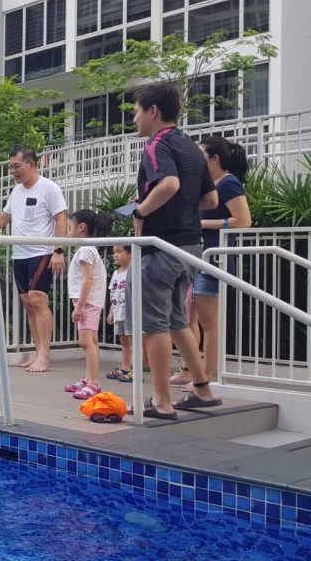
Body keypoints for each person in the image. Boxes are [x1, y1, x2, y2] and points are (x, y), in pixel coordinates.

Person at [129, 81, 221, 420]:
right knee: (178, 320)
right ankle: (203, 391)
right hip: (191, 247)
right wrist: (172, 204)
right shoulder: (192, 148)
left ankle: (162, 401)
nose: (135, 119)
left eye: (137, 112)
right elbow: (210, 200)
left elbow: (169, 184)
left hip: (162, 246)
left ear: (153, 111)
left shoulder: (157, 144)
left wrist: (141, 211)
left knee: (155, 324)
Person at [0, 145, 68, 373]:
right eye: (11, 167)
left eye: (16, 166)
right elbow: (4, 218)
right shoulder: (16, 191)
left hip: (42, 251)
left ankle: (45, 355)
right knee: (28, 304)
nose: (13, 171)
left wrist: (59, 250)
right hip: (19, 253)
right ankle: (37, 352)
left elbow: (61, 219)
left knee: (38, 300)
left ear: (31, 165)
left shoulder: (49, 188)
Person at [173, 136, 253, 392]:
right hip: (199, 256)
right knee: (190, 318)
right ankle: (191, 370)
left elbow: (243, 221)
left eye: (201, 155)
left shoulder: (229, 183)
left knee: (208, 322)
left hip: (215, 258)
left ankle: (206, 376)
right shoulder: (208, 185)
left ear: (215, 158)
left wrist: (202, 224)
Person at [62, 210, 112, 400]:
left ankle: (94, 383)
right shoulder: (89, 249)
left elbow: (87, 279)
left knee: (86, 342)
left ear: (81, 227)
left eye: (70, 227)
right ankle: (89, 379)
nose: (68, 231)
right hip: (90, 300)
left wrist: (80, 306)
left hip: (87, 301)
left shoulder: (85, 250)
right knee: (92, 340)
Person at [105, 246, 134, 382]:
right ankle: (125, 367)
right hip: (119, 311)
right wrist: (111, 311)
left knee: (133, 342)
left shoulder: (133, 271)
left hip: (130, 312)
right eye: (114, 253)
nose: (115, 255)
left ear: (130, 254)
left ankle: (135, 370)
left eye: (119, 252)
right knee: (124, 342)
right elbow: (113, 293)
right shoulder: (116, 273)